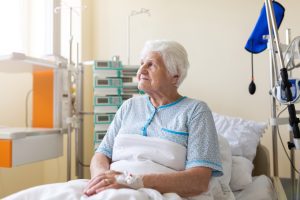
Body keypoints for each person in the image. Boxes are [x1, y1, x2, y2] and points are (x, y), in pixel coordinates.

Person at [83, 40, 223, 198]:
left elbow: (199, 180)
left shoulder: (196, 110)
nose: (141, 70)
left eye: (151, 65)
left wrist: (131, 181)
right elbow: (101, 154)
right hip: (110, 190)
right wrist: (102, 179)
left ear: (174, 77)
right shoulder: (128, 107)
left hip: (159, 193)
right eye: (142, 63)